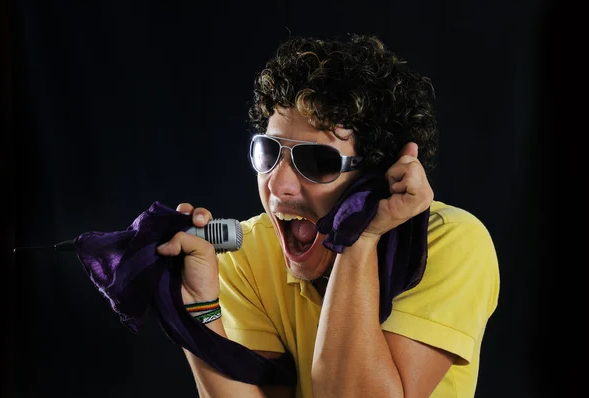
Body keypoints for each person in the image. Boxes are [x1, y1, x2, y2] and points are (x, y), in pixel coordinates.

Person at [157, 34, 499, 398]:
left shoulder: (452, 243)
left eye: (317, 161)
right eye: (268, 152)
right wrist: (197, 312)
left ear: (376, 175)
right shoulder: (247, 257)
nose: (279, 184)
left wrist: (359, 238)